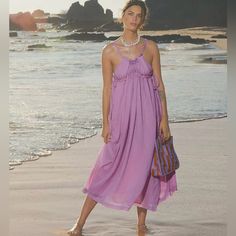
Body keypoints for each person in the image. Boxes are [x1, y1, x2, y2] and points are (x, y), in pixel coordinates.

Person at [67, 1, 177, 235]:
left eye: (139, 15)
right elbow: (107, 89)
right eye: (130, 14)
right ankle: (79, 224)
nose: (134, 19)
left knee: (147, 168)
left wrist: (164, 120)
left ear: (143, 19)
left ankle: (141, 226)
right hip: (121, 118)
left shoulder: (151, 48)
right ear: (123, 16)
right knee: (106, 166)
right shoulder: (109, 51)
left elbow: (159, 86)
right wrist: (106, 123)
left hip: (149, 116)